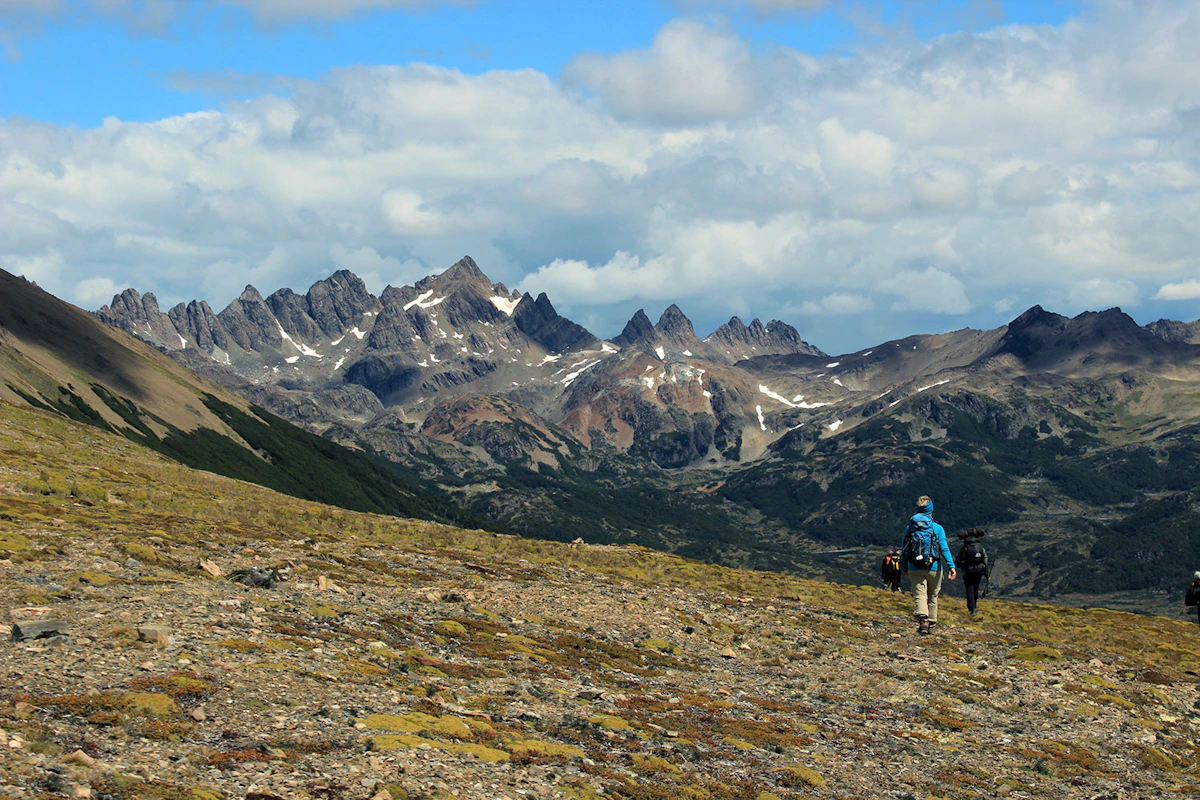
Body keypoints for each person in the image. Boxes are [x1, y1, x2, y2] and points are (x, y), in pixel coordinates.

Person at [900, 495, 956, 635]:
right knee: (933, 595)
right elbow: (944, 548)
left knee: (919, 594)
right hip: (934, 567)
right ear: (931, 510)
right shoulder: (937, 528)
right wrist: (951, 566)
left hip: (914, 567)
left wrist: (904, 567)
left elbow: (904, 549)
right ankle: (931, 620)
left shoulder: (910, 528)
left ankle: (923, 619)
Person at [956, 528, 990, 616]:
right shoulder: (980, 547)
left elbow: (958, 560)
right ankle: (974, 606)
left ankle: (972, 608)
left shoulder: (965, 547)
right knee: (976, 587)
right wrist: (987, 573)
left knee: (969, 588)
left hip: (967, 571)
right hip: (979, 571)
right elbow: (985, 560)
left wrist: (958, 566)